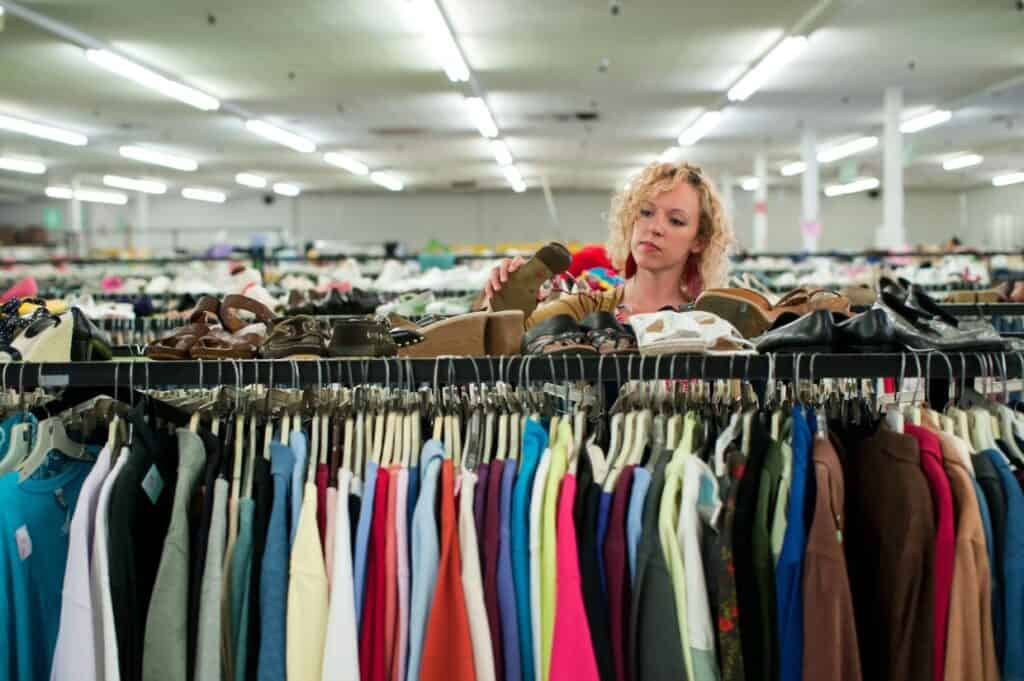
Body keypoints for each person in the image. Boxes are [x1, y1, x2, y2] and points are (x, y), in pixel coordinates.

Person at [484, 161, 734, 328]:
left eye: (676, 220)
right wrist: (503, 308)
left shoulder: (709, 324)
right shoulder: (583, 309)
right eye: (646, 213)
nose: (654, 227)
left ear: (699, 241)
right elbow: (500, 342)